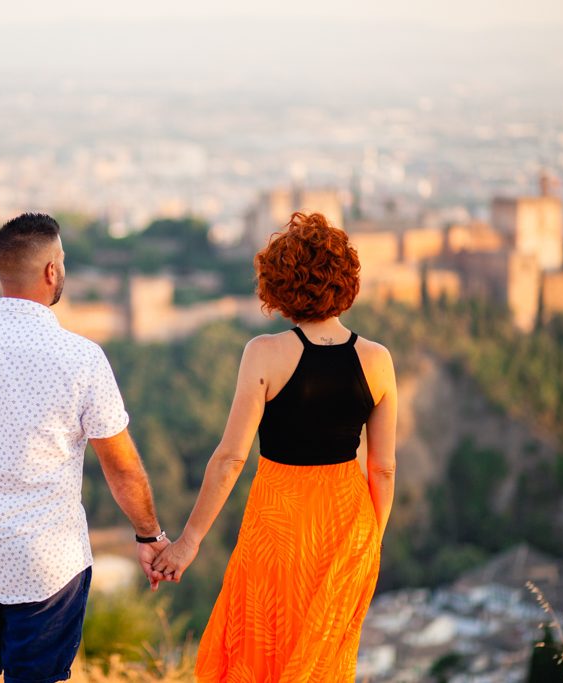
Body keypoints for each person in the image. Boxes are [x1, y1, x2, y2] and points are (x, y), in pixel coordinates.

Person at [0, 212, 170, 683]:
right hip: (47, 566)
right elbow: (122, 469)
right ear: (52, 271)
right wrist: (149, 536)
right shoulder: (82, 359)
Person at [152, 211, 398, 681]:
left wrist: (188, 543)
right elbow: (383, 469)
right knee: (323, 666)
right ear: (347, 280)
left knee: (261, 655)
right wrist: (372, 545)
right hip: (348, 531)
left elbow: (230, 459)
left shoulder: (264, 353)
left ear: (278, 285)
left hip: (277, 529)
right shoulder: (378, 360)